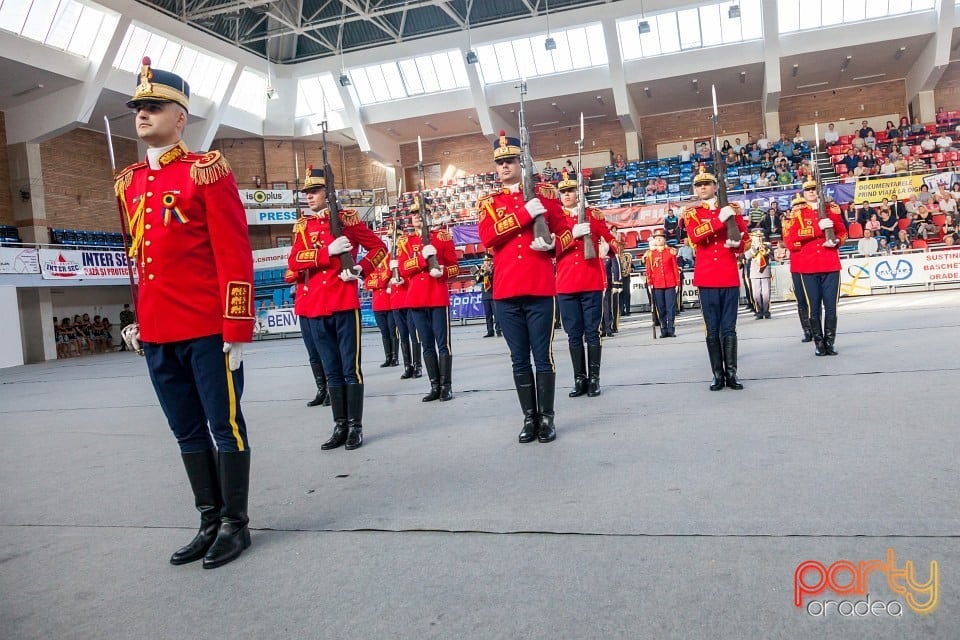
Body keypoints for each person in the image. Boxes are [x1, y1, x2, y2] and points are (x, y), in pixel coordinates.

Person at [115, 58, 255, 569]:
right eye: (138, 108)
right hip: (157, 331)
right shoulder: (128, 182)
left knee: (226, 427)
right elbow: (140, 260)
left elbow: (234, 254)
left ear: (181, 117)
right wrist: (138, 319)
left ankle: (235, 525)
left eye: (154, 106)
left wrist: (237, 326)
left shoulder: (206, 172)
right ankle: (208, 518)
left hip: (205, 329)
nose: (142, 114)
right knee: (186, 430)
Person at [287, 165, 388, 452]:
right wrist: (325, 253)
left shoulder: (347, 221)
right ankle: (339, 424)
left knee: (349, 369)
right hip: (316, 307)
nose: (309, 197)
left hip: (343, 303)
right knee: (331, 371)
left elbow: (380, 249)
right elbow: (294, 262)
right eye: (306, 192)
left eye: (315, 191)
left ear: (328, 193)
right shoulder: (303, 227)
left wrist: (359, 268)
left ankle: (355, 426)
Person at [477, 131, 567, 444]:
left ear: (521, 162)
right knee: (518, 358)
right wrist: (522, 214)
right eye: (500, 162)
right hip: (505, 293)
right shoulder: (489, 204)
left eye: (510, 160)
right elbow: (488, 238)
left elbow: (566, 232)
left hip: (540, 288)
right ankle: (529, 417)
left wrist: (554, 243)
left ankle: (547, 417)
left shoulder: (545, 194)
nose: (504, 166)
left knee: (543, 357)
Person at [681, 168, 749, 390]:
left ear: (715, 187)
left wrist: (738, 244)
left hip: (728, 274)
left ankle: (732, 373)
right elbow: (695, 235)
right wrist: (719, 221)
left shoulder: (732, 210)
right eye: (699, 185)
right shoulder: (692, 213)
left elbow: (745, 238)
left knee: (729, 328)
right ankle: (717, 374)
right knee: (712, 329)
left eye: (707, 184)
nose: (703, 187)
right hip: (708, 277)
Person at [553, 170, 618, 397]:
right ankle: (579, 379)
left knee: (593, 332)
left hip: (591, 280)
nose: (567, 195)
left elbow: (611, 239)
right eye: (563, 192)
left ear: (579, 193)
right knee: (573, 334)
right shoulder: (556, 219)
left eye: (571, 191)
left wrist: (608, 247)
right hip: (567, 283)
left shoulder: (594, 215)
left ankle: (594, 379)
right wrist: (571, 235)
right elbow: (550, 249)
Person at [397, 200, 459, 403]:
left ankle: (446, 386)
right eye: (414, 213)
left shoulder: (442, 237)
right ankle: (434, 385)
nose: (416, 216)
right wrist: (423, 261)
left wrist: (441, 271)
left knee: (443, 345)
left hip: (437, 296)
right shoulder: (405, 242)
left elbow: (454, 267)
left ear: (429, 216)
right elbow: (404, 269)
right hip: (416, 299)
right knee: (426, 345)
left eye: (421, 213)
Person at [784, 176, 847, 356]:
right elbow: (792, 239)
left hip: (830, 263)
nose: (812, 192)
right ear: (804, 193)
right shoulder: (798, 213)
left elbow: (842, 232)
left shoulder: (831, 210)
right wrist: (817, 229)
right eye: (809, 189)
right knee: (813, 307)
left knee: (832, 307)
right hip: (808, 266)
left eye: (814, 189)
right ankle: (819, 343)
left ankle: (830, 342)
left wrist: (835, 241)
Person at [283, 267, 330, 407]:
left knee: (325, 352)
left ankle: (332, 390)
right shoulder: (299, 257)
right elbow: (288, 276)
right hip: (303, 309)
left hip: (318, 306)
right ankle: (321, 390)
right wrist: (301, 270)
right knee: (313, 353)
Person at [390, 225, 422, 380]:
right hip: (396, 302)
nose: (394, 241)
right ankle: (407, 366)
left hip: (408, 298)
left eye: (396, 238)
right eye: (391, 238)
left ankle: (418, 365)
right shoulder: (390, 258)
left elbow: (411, 271)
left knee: (414, 335)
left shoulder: (408, 253)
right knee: (403, 336)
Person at [643, 229, 680, 337]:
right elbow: (648, 270)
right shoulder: (650, 254)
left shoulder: (670, 252)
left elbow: (674, 268)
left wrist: (677, 283)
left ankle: (671, 329)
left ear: (664, 239)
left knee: (670, 308)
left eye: (661, 237)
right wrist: (649, 283)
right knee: (661, 308)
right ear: (654, 240)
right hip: (657, 284)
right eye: (656, 238)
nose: (659, 239)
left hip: (670, 283)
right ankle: (663, 329)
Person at [364, 256, 398, 368]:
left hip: (390, 304)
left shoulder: (388, 267)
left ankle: (395, 357)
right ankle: (388, 357)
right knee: (384, 332)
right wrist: (380, 282)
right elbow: (367, 284)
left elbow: (387, 277)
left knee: (392, 331)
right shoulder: (371, 269)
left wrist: (378, 283)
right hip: (378, 305)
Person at [743, 230, 772, 319]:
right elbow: (746, 256)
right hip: (754, 273)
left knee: (766, 293)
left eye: (760, 237)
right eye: (757, 237)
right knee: (756, 294)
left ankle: (766, 311)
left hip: (765, 272)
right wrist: (755, 249)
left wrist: (766, 250)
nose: (759, 238)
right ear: (752, 237)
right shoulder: (749, 246)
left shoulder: (767, 245)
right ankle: (759, 311)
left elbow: (772, 256)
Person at [476, 254, 500, 337]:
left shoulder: (494, 268)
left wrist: (490, 271)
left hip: (493, 293)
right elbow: (478, 281)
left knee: (496, 314)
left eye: (488, 260)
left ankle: (498, 330)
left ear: (490, 261)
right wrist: (481, 272)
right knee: (488, 315)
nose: (486, 262)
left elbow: (496, 278)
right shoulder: (481, 269)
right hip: (485, 294)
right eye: (485, 260)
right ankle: (490, 331)